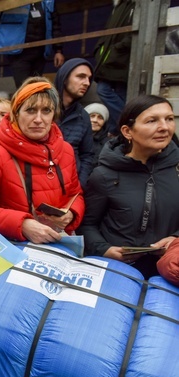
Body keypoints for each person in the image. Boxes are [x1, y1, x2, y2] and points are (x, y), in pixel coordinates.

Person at [0, 77, 84, 244]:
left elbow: (76, 194)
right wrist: (23, 224)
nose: (39, 119)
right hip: (16, 246)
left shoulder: (66, 150)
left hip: (58, 243)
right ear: (16, 114)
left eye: (46, 111)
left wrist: (72, 213)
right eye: (31, 110)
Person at [78, 95, 179, 279]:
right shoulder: (104, 174)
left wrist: (175, 241)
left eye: (169, 119)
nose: (164, 127)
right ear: (127, 131)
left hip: (168, 274)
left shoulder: (176, 168)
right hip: (117, 273)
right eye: (152, 121)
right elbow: (87, 224)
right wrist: (105, 250)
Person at [0, 0, 65, 88]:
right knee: (23, 89)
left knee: (35, 89)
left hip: (40, 52)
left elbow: (55, 24)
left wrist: (58, 50)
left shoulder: (48, 1)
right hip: (19, 53)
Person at [93, 0, 136, 136]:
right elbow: (108, 33)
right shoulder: (119, 6)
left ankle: (127, 125)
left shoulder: (134, 5)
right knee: (113, 92)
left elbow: (135, 32)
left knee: (106, 90)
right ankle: (118, 131)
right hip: (113, 56)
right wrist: (100, 49)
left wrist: (118, 48)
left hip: (122, 58)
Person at [55, 58, 95, 187]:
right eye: (81, 77)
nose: (87, 83)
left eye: (89, 78)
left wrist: (79, 184)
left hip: (71, 187)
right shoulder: (43, 108)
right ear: (65, 78)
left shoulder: (83, 116)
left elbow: (87, 155)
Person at [84, 102, 111, 167]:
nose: (95, 120)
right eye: (92, 116)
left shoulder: (109, 144)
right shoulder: (76, 138)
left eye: (100, 117)